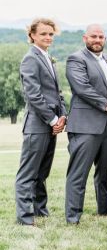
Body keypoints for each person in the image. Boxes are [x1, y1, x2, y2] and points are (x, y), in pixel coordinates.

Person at [65, 24, 107, 224]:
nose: (97, 40)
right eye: (93, 36)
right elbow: (82, 88)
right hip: (85, 125)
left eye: (100, 37)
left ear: (105, 39)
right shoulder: (76, 59)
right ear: (85, 38)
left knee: (105, 170)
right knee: (78, 172)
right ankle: (73, 217)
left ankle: (104, 210)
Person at [15, 18, 67, 225]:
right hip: (37, 125)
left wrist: (62, 116)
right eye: (43, 33)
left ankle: (40, 210)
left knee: (42, 172)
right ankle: (25, 218)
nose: (48, 37)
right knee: (28, 173)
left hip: (52, 125)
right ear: (33, 36)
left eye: (50, 34)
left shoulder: (47, 57)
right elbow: (34, 95)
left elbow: (56, 93)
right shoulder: (31, 59)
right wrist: (53, 119)